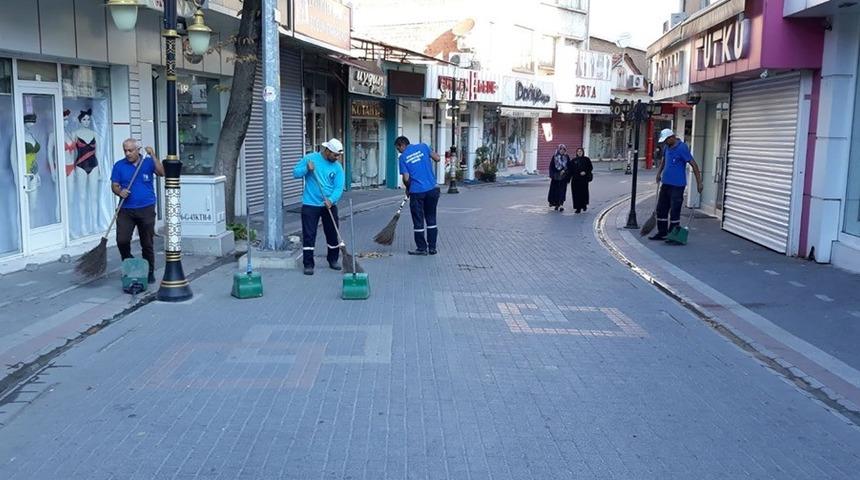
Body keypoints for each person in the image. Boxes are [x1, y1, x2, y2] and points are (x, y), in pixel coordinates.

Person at [111, 139, 164, 284]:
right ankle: (130, 265)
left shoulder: (147, 162)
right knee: (122, 240)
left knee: (147, 242)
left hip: (146, 208)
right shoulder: (119, 165)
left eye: (130, 150)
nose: (127, 153)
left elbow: (161, 172)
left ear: (138, 150)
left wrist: (153, 155)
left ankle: (149, 271)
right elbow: (114, 185)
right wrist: (120, 192)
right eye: (125, 151)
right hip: (126, 209)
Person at [293, 138, 346, 276]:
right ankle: (308, 264)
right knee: (309, 234)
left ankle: (333, 259)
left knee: (332, 233)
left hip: (329, 205)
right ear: (327, 151)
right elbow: (295, 173)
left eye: (338, 155)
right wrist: (306, 169)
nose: (337, 158)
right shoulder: (310, 159)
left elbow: (339, 187)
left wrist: (331, 200)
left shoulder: (338, 168)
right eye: (335, 155)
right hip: (310, 204)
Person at [651, 129, 703, 242]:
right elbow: (664, 161)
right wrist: (659, 173)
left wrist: (699, 182)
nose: (665, 143)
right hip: (666, 184)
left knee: (674, 210)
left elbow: (694, 164)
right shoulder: (666, 147)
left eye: (666, 140)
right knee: (661, 209)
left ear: (672, 137)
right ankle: (662, 232)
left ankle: (673, 235)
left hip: (677, 186)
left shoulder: (682, 148)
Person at [394, 136, 441, 256]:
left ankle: (421, 248)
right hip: (432, 189)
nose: (398, 151)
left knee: (418, 220)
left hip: (417, 192)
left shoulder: (403, 158)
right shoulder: (423, 146)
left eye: (398, 149)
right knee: (431, 218)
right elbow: (437, 158)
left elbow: (406, 178)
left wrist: (408, 188)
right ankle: (432, 248)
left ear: (402, 145)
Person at [569, 147, 593, 213]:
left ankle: (584, 205)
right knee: (576, 194)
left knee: (584, 193)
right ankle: (577, 208)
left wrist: (585, 172)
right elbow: (570, 170)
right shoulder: (573, 160)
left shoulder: (586, 159)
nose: (579, 152)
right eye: (578, 151)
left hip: (584, 179)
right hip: (575, 180)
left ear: (583, 152)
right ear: (576, 153)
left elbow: (590, 167)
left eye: (581, 151)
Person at [547, 144, 569, 211]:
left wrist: (564, 170)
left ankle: (561, 205)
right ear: (558, 150)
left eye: (563, 149)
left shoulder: (566, 157)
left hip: (563, 177)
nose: (562, 150)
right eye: (561, 149)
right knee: (555, 191)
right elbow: (551, 166)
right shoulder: (555, 156)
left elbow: (569, 166)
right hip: (555, 177)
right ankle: (556, 204)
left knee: (562, 191)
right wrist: (552, 175)